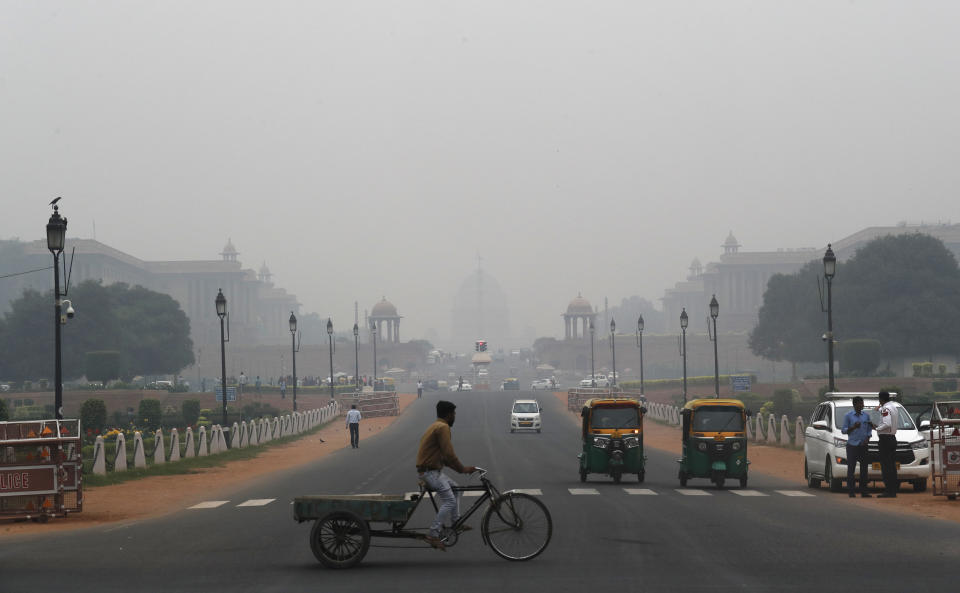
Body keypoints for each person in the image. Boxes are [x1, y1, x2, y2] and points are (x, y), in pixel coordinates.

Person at [416, 400, 477, 550]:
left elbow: (444, 458)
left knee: (455, 489)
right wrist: (462, 469)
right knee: (449, 501)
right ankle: (433, 534)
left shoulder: (435, 425)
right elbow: (449, 454)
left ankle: (456, 522)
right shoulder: (443, 428)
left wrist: (461, 469)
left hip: (432, 471)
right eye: (454, 414)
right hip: (429, 473)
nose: (455, 416)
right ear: (449, 415)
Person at [841, 396, 873, 498]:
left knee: (864, 469)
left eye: (862, 403)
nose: (862, 405)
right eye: (860, 403)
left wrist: (867, 439)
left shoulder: (866, 416)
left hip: (863, 446)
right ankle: (851, 491)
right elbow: (844, 430)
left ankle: (864, 491)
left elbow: (869, 430)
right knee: (851, 469)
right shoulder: (848, 416)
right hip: (852, 446)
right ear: (855, 405)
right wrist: (853, 427)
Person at [875, 390, 900, 498]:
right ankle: (893, 490)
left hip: (885, 439)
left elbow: (887, 423)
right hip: (892, 438)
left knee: (886, 467)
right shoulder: (893, 407)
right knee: (892, 466)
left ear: (881, 399)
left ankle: (888, 490)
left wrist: (877, 428)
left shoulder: (885, 408)